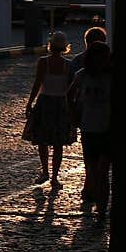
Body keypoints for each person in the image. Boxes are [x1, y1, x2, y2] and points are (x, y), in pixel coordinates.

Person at [25, 30, 74, 188]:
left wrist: (29, 102)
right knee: (59, 143)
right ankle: (54, 177)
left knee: (42, 140)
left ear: (50, 45)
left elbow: (37, 84)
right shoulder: (68, 65)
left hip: (45, 102)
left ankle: (45, 171)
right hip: (60, 103)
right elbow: (70, 89)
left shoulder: (43, 62)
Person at [69, 42, 112, 219]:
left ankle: (101, 209)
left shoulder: (112, 77)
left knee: (103, 170)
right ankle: (98, 204)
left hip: (108, 130)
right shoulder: (82, 76)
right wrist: (73, 115)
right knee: (94, 170)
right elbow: (69, 94)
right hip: (88, 129)